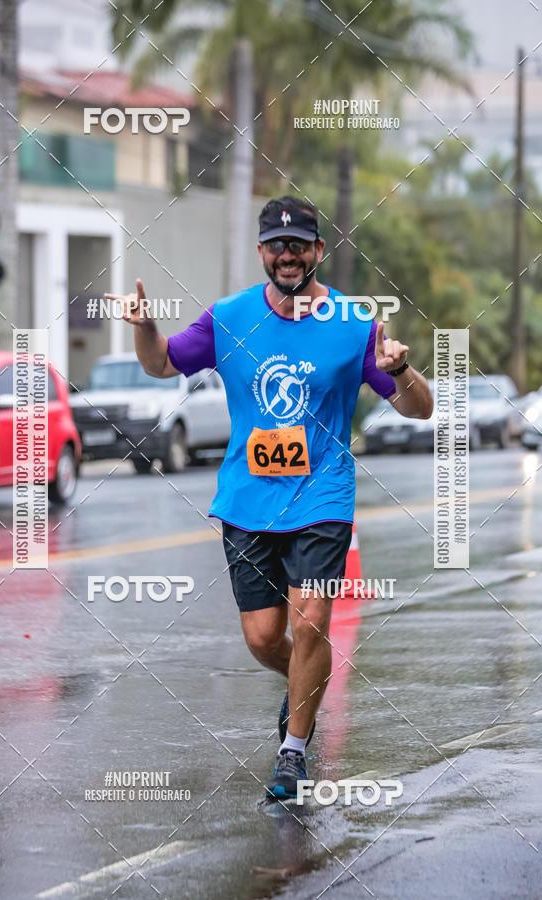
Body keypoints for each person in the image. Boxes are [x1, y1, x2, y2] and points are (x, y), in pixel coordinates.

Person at [106, 195, 433, 800]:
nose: (288, 255)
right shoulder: (228, 318)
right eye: (277, 246)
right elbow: (161, 365)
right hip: (249, 499)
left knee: (313, 621)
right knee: (263, 637)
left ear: (317, 250)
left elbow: (420, 408)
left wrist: (404, 371)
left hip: (323, 498)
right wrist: (145, 327)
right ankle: (306, 686)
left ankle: (293, 753)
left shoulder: (355, 324)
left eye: (300, 245)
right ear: (262, 252)